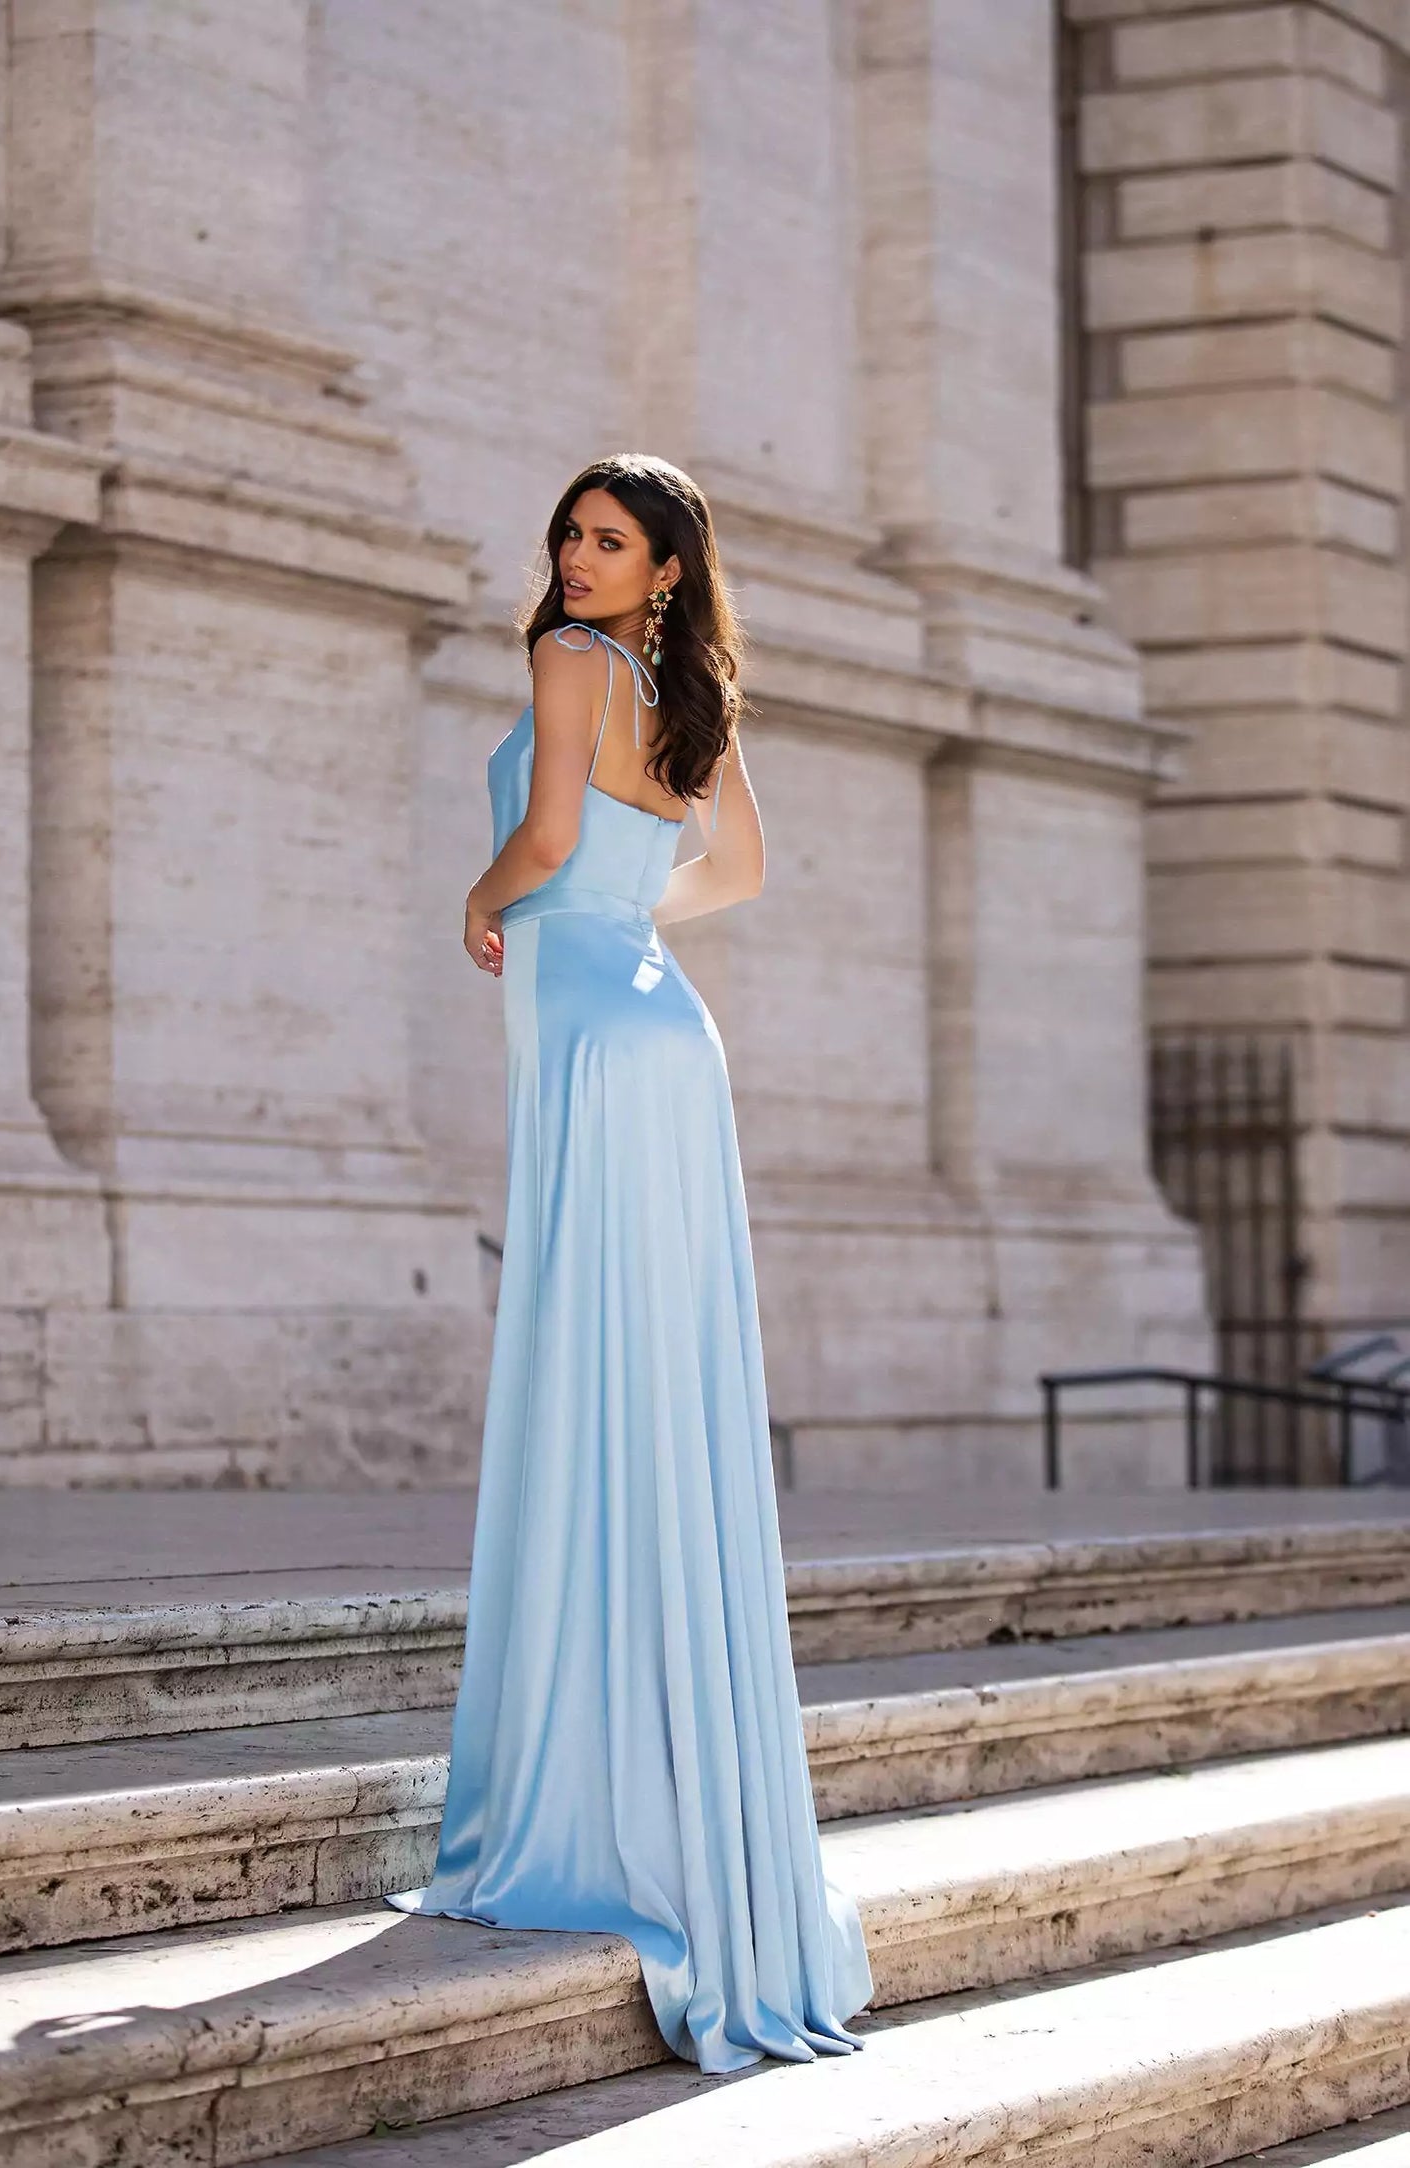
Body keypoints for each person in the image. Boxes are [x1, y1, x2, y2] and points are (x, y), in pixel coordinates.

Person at [385, 452, 874, 2073]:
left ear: (663, 566)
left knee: (590, 1372)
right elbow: (732, 872)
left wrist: (498, 898)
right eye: (569, 537)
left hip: (595, 1028)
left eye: (610, 540)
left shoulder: (566, 661)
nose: (575, 558)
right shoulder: (684, 685)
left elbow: (533, 836)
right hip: (667, 1025)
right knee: (651, 1379)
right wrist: (625, 910)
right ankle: (679, 1792)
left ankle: (579, 1781)